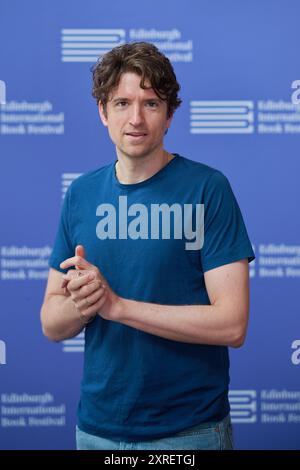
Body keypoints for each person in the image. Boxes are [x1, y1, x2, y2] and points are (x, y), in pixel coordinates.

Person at [40, 41, 255, 451]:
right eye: (122, 103)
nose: (135, 118)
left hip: (191, 433)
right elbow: (51, 322)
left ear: (170, 114)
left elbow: (232, 323)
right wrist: (81, 303)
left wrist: (117, 307)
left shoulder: (207, 189)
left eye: (151, 104)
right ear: (103, 112)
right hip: (98, 431)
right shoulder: (81, 194)